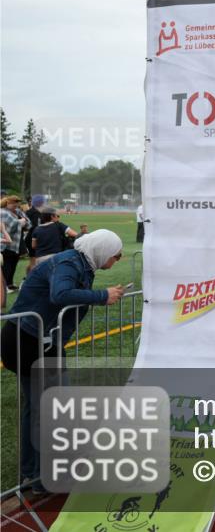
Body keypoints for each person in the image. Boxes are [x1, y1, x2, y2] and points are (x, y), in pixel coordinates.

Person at [0, 229, 125, 495]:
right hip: (29, 340)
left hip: (39, 339)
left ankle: (37, 472)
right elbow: (61, 294)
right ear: (102, 250)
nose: (118, 259)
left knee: (42, 407)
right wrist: (102, 296)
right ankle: (39, 476)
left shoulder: (79, 262)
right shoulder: (69, 262)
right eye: (116, 255)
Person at [1, 196, 29, 291]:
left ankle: (10, 284)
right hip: (5, 244)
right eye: (13, 205)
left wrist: (22, 221)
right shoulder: (3, 212)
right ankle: (3, 286)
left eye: (17, 205)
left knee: (13, 264)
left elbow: (29, 223)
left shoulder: (17, 211)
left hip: (17, 243)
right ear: (7, 203)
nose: (16, 207)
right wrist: (21, 221)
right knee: (7, 265)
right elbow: (14, 224)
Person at [23, 196, 44, 274]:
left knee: (32, 260)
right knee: (34, 261)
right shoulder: (35, 212)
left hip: (30, 238)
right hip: (33, 238)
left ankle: (27, 278)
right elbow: (35, 226)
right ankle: (31, 280)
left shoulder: (29, 212)